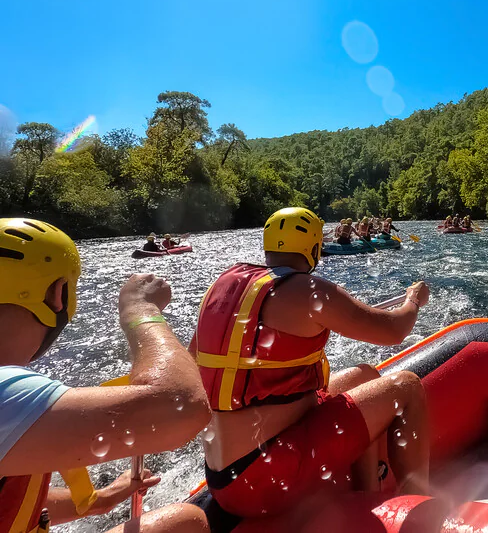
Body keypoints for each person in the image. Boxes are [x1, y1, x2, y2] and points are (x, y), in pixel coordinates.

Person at [192, 207, 431, 520]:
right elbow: (394, 330)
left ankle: (367, 497)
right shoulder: (309, 291)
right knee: (407, 387)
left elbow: (193, 358)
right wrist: (413, 300)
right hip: (265, 477)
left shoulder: (222, 286)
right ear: (315, 249)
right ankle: (422, 514)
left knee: (365, 376)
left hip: (223, 477)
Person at [0, 218, 211, 533]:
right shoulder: (9, 395)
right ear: (58, 295)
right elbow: (185, 406)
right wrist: (139, 310)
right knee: (187, 522)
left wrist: (98, 498)